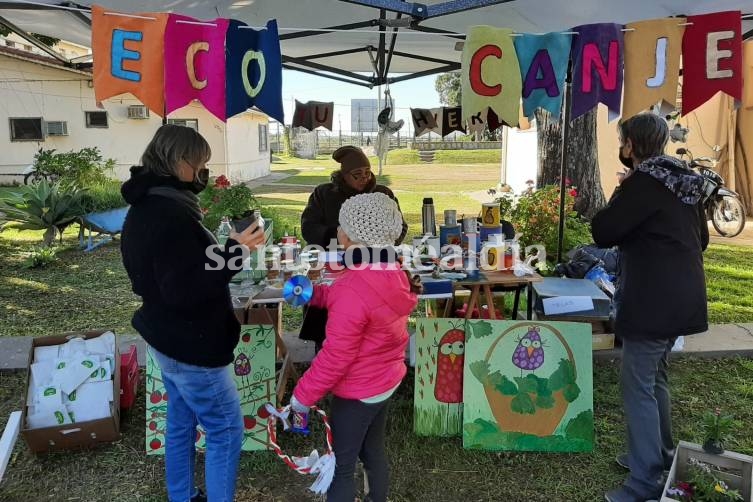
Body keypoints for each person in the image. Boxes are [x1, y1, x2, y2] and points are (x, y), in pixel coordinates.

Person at [120, 124, 266, 502]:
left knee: (181, 423)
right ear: (177, 161)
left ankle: (182, 496)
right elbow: (185, 286)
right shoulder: (168, 215)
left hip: (167, 336)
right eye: (200, 163)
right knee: (226, 431)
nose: (203, 171)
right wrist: (236, 250)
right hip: (191, 345)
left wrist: (231, 249)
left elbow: (176, 272)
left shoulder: (150, 203)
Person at [592, 113, 709, 502]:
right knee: (654, 378)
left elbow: (604, 230)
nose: (620, 148)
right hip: (683, 294)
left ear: (632, 145)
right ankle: (660, 453)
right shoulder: (682, 179)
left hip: (653, 300)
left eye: (623, 141)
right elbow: (702, 239)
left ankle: (645, 482)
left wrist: (621, 191)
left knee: (637, 386)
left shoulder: (643, 182)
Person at [290, 192, 420, 502]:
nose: (337, 231)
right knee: (373, 451)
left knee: (341, 466)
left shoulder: (353, 288)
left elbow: (336, 355)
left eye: (340, 225)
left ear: (349, 236)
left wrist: (301, 397)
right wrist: (313, 294)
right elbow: (355, 300)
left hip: (357, 392)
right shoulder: (393, 272)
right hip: (385, 381)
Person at [299, 145, 408, 352]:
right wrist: (343, 237)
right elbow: (309, 228)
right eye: (357, 174)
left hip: (376, 263)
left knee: (372, 316)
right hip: (332, 262)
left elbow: (400, 227)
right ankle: (324, 350)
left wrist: (377, 242)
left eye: (367, 173)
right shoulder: (323, 194)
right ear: (343, 174)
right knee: (331, 309)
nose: (364, 178)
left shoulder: (382, 194)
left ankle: (372, 354)